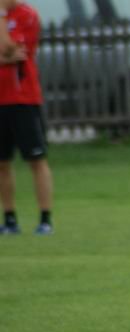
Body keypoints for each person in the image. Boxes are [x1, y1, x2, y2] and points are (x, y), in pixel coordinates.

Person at [0, 0, 53, 236]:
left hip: (23, 99)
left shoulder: (27, 15)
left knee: (36, 160)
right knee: (2, 163)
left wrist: (0, 16)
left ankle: (45, 219)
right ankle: (10, 220)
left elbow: (11, 50)